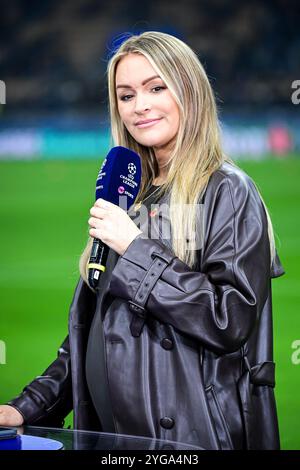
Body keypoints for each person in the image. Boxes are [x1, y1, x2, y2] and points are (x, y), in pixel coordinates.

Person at [0, 31, 284, 450]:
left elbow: (229, 319)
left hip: (186, 443)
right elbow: (95, 328)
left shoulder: (228, 190)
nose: (140, 106)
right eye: (126, 95)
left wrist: (134, 250)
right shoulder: (129, 194)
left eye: (156, 88)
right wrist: (30, 405)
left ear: (189, 91)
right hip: (108, 437)